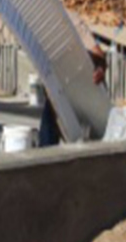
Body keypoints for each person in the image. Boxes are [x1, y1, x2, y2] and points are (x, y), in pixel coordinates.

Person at [39, 12, 106, 146]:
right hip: (56, 93)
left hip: (80, 90)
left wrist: (100, 68)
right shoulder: (35, 28)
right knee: (47, 139)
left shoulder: (70, 21)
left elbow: (98, 54)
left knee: (87, 142)